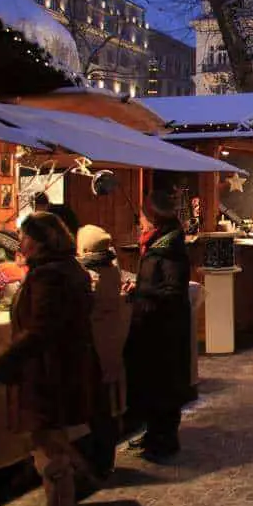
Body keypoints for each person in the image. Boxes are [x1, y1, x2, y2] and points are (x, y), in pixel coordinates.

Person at [0, 212, 98, 506]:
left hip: (48, 372)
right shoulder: (67, 268)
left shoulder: (49, 275)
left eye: (25, 236)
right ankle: (76, 484)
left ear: (40, 239)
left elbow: (40, 329)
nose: (21, 242)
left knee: (48, 445)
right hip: (61, 366)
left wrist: (3, 361)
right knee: (52, 440)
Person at [125, 191, 192, 461]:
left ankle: (164, 440)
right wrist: (139, 287)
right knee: (152, 384)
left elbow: (173, 290)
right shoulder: (157, 245)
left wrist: (144, 293)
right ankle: (154, 433)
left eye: (142, 217)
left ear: (153, 220)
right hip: (153, 323)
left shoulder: (169, 249)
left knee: (164, 384)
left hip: (163, 328)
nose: (139, 222)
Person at [77, 225, 130, 479]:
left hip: (93, 347)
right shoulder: (112, 269)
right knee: (108, 404)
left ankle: (97, 462)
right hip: (111, 343)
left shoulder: (88, 273)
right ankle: (105, 458)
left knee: (97, 408)